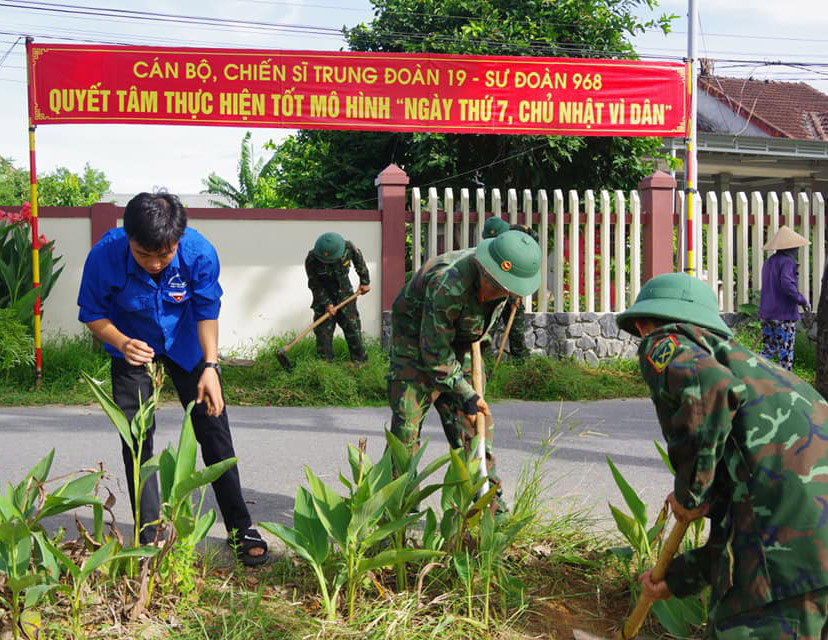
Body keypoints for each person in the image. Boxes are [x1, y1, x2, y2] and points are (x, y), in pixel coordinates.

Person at [616, 272, 828, 639]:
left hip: (786, 565)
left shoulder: (664, 341)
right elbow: (739, 527)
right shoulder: (766, 375)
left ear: (643, 323)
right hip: (805, 558)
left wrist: (689, 494)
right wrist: (676, 581)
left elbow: (709, 385)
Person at [77, 192, 268, 566]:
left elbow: (207, 310)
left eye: (163, 255)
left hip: (188, 346)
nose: (153, 263)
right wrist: (121, 341)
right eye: (143, 254)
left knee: (213, 428)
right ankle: (148, 537)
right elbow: (91, 313)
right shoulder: (104, 255)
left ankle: (240, 528)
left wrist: (211, 368)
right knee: (137, 440)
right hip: (133, 347)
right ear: (128, 237)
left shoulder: (199, 252)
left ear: (178, 240)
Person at [387, 230, 542, 504]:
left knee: (475, 426)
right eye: (495, 285)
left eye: (505, 289)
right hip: (413, 345)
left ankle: (489, 506)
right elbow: (434, 352)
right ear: (484, 268)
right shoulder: (448, 283)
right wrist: (466, 393)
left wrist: (468, 397)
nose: (499, 293)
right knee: (406, 431)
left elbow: (475, 331)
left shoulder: (506, 282)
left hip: (459, 344)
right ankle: (396, 511)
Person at [305, 232, 371, 363]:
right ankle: (325, 367)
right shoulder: (312, 259)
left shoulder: (349, 248)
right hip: (323, 297)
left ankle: (361, 363)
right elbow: (314, 284)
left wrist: (364, 281)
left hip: (345, 295)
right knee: (323, 333)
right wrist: (327, 303)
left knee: (353, 329)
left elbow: (359, 262)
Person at [482, 217, 538, 360]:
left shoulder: (518, 234)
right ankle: (483, 367)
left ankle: (523, 368)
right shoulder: (488, 249)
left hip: (513, 293)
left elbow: (532, 250)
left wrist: (528, 232)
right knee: (487, 333)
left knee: (517, 335)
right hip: (493, 294)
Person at [759, 225, 811, 371]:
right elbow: (787, 285)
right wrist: (802, 300)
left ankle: (757, 375)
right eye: (796, 247)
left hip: (767, 314)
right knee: (786, 353)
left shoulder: (769, 262)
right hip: (783, 315)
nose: (798, 249)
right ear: (789, 248)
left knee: (768, 350)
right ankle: (787, 384)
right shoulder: (788, 262)